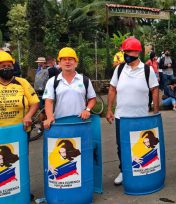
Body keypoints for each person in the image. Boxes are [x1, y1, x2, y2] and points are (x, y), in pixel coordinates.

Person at [106, 37, 159, 185]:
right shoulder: (120, 69)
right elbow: (112, 89)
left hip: (140, 117)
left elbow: (154, 90)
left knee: (140, 145)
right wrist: (109, 109)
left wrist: (155, 111)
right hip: (121, 117)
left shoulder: (147, 70)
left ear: (137, 52)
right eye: (125, 51)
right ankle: (124, 171)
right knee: (121, 146)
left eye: (129, 51)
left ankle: (140, 169)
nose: (126, 54)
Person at [42, 47, 97, 129]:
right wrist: (49, 117)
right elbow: (49, 101)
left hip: (80, 123)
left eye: (70, 59)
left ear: (76, 63)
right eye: (64, 59)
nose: (67, 62)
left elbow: (92, 98)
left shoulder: (84, 80)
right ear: (59, 63)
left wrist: (87, 110)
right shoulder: (52, 81)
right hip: (60, 123)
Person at [0, 50, 39, 130]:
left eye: (9, 66)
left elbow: (35, 103)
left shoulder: (22, 82)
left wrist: (28, 116)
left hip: (21, 129)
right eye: (3, 66)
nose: (7, 68)